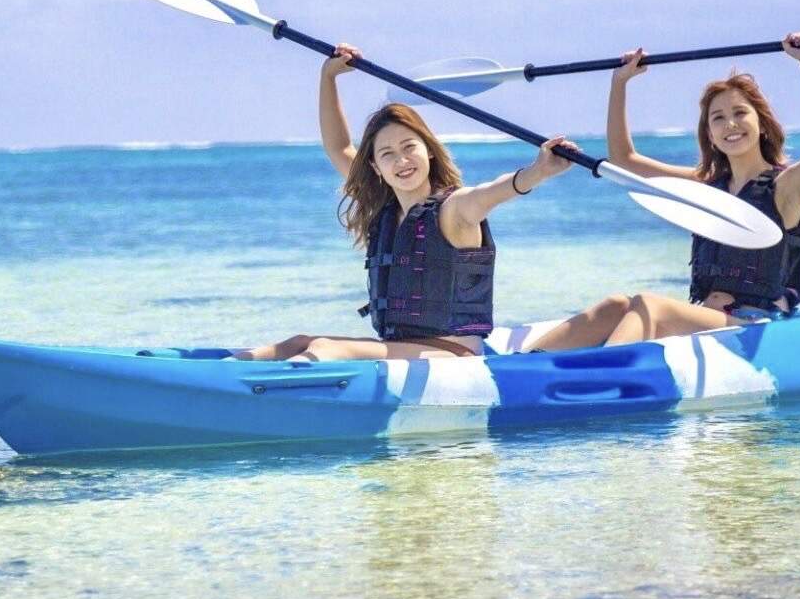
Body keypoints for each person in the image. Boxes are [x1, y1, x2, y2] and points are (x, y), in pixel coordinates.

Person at [239, 44, 578, 362]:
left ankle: (286, 388)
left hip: (453, 357)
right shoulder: (384, 208)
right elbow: (338, 146)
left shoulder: (454, 209)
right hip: (403, 350)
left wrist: (539, 170)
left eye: (409, 148)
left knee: (326, 347)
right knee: (299, 342)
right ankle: (224, 368)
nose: (401, 161)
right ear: (376, 167)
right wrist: (329, 76)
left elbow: (496, 190)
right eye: (387, 154)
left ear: (428, 149)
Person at [531, 32, 800, 350]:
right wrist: (620, 82)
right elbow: (623, 159)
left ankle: (602, 373)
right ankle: (520, 364)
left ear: (762, 124)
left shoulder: (785, 188)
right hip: (707, 319)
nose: (731, 125)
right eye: (718, 118)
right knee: (616, 305)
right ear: (710, 135)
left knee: (649, 304)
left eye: (740, 113)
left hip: (758, 327)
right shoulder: (705, 187)